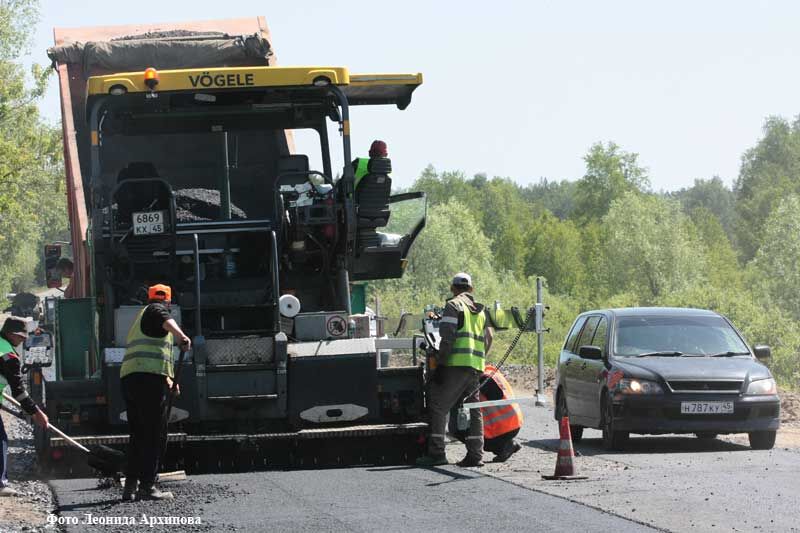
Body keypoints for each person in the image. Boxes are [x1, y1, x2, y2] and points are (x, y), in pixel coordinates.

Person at [120, 284, 191, 501]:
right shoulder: (156, 311)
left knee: (139, 433)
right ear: (168, 302)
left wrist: (168, 379)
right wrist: (181, 336)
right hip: (146, 381)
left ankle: (130, 486)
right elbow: (162, 317)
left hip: (133, 378)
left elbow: (153, 355)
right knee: (154, 434)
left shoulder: (143, 316)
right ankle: (148, 486)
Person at [416, 272, 493, 468]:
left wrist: (441, 364)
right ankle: (476, 454)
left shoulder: (453, 306)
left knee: (438, 406)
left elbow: (447, 337)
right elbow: (489, 338)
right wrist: (479, 357)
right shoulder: (481, 310)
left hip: (456, 365)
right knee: (474, 409)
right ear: (471, 289)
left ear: (453, 288)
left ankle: (437, 453)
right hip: (475, 366)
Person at [0, 317, 49, 497]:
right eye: (21, 338)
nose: (22, 341)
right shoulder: (8, 356)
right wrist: (36, 412)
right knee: (1, 439)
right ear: (12, 334)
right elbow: (18, 391)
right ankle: (0, 484)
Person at [449, 364, 523, 463]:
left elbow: (494, 394)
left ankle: (504, 447)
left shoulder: (483, 379)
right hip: (513, 423)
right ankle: (505, 447)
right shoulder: (491, 372)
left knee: (458, 429)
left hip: (504, 427)